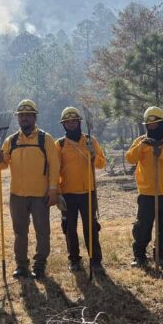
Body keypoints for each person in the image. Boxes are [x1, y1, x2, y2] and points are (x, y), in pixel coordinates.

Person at [0, 99, 60, 279]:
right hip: (17, 196)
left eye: (28, 115)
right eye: (21, 116)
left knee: (42, 232)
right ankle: (21, 265)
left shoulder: (45, 139)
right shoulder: (11, 140)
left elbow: (54, 166)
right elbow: (4, 163)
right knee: (20, 232)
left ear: (34, 117)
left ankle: (39, 265)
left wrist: (53, 189)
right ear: (18, 119)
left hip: (40, 195)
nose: (24, 119)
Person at [125, 106, 163, 268]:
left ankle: (160, 255)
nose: (152, 127)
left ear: (161, 123)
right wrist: (143, 147)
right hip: (147, 193)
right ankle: (139, 256)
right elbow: (130, 158)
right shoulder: (140, 141)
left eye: (155, 124)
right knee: (142, 226)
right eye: (149, 125)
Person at [55, 107, 107, 273]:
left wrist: (94, 155)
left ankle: (96, 260)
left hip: (88, 192)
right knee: (69, 228)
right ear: (64, 125)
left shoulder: (91, 141)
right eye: (67, 122)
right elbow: (55, 170)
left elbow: (101, 164)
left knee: (90, 227)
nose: (71, 124)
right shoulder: (60, 144)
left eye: (74, 121)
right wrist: (57, 193)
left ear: (79, 122)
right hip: (68, 193)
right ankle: (74, 260)